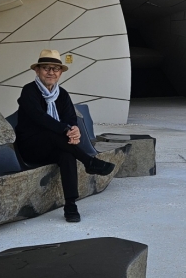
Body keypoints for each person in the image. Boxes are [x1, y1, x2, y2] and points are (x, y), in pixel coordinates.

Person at [14, 49, 115, 223]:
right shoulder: (28, 91)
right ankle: (89, 161)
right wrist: (65, 130)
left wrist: (74, 131)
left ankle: (70, 205)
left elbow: (70, 119)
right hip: (30, 147)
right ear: (37, 71)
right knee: (51, 133)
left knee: (67, 155)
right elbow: (40, 118)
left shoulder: (63, 94)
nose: (51, 72)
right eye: (46, 68)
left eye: (55, 69)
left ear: (60, 73)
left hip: (56, 145)